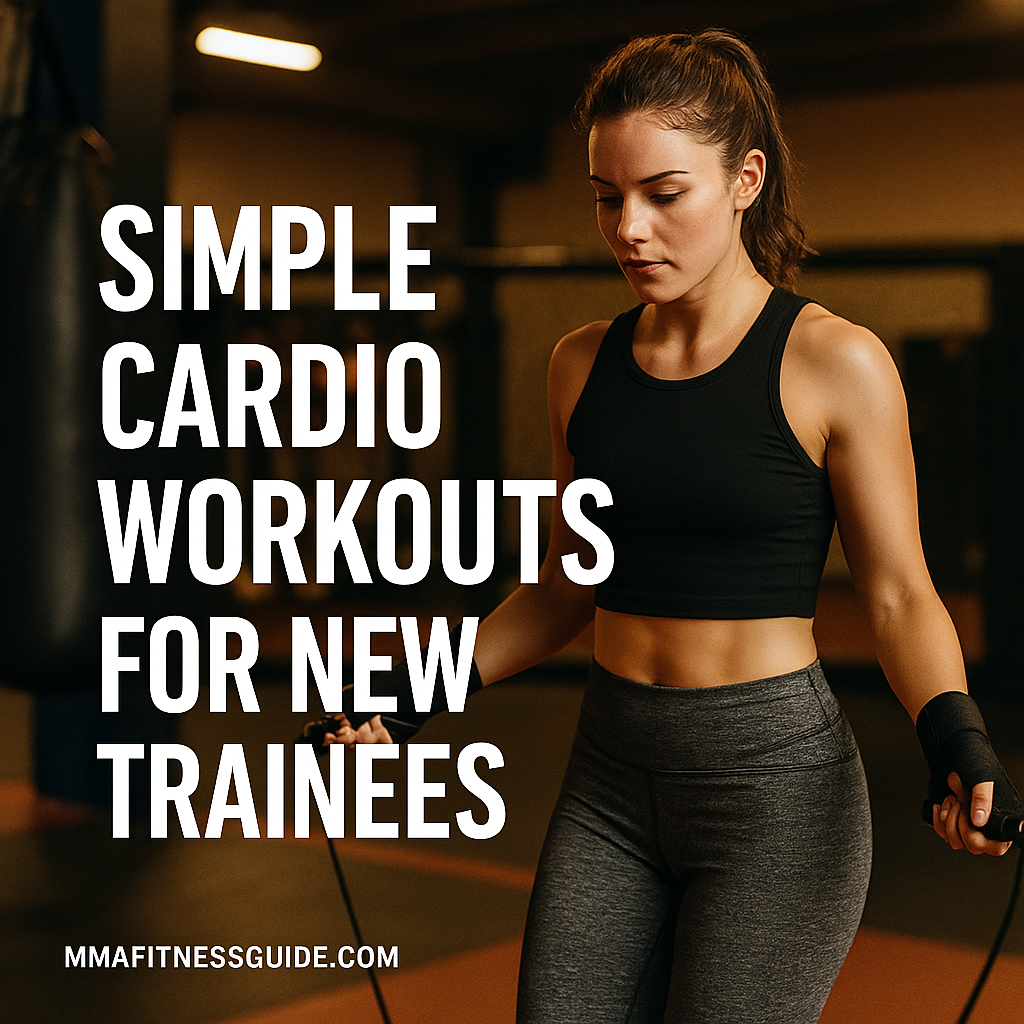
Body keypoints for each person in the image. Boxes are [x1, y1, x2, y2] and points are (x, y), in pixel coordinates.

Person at [311, 29, 1021, 1024]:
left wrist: (957, 733)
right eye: (608, 197)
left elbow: (899, 593)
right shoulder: (578, 363)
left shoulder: (834, 362)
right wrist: (413, 688)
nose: (628, 227)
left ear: (744, 179)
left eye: (663, 192)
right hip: (609, 774)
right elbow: (563, 587)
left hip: (772, 791)